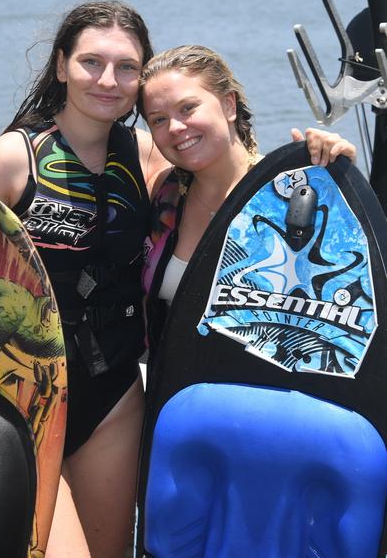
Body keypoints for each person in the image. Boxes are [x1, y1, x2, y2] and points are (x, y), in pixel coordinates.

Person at [0, 0, 168, 558]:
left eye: (127, 67)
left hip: (113, 398)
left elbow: (231, 181)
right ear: (61, 65)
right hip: (20, 394)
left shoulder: (151, 156)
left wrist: (306, 160)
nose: (108, 80)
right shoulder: (15, 157)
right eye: (91, 62)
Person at [138, 44, 357, 355]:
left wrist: (340, 172)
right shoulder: (166, 195)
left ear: (229, 105)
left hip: (266, 394)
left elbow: (350, 297)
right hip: (176, 392)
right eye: (158, 119)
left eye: (188, 108)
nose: (175, 127)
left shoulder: (291, 194)